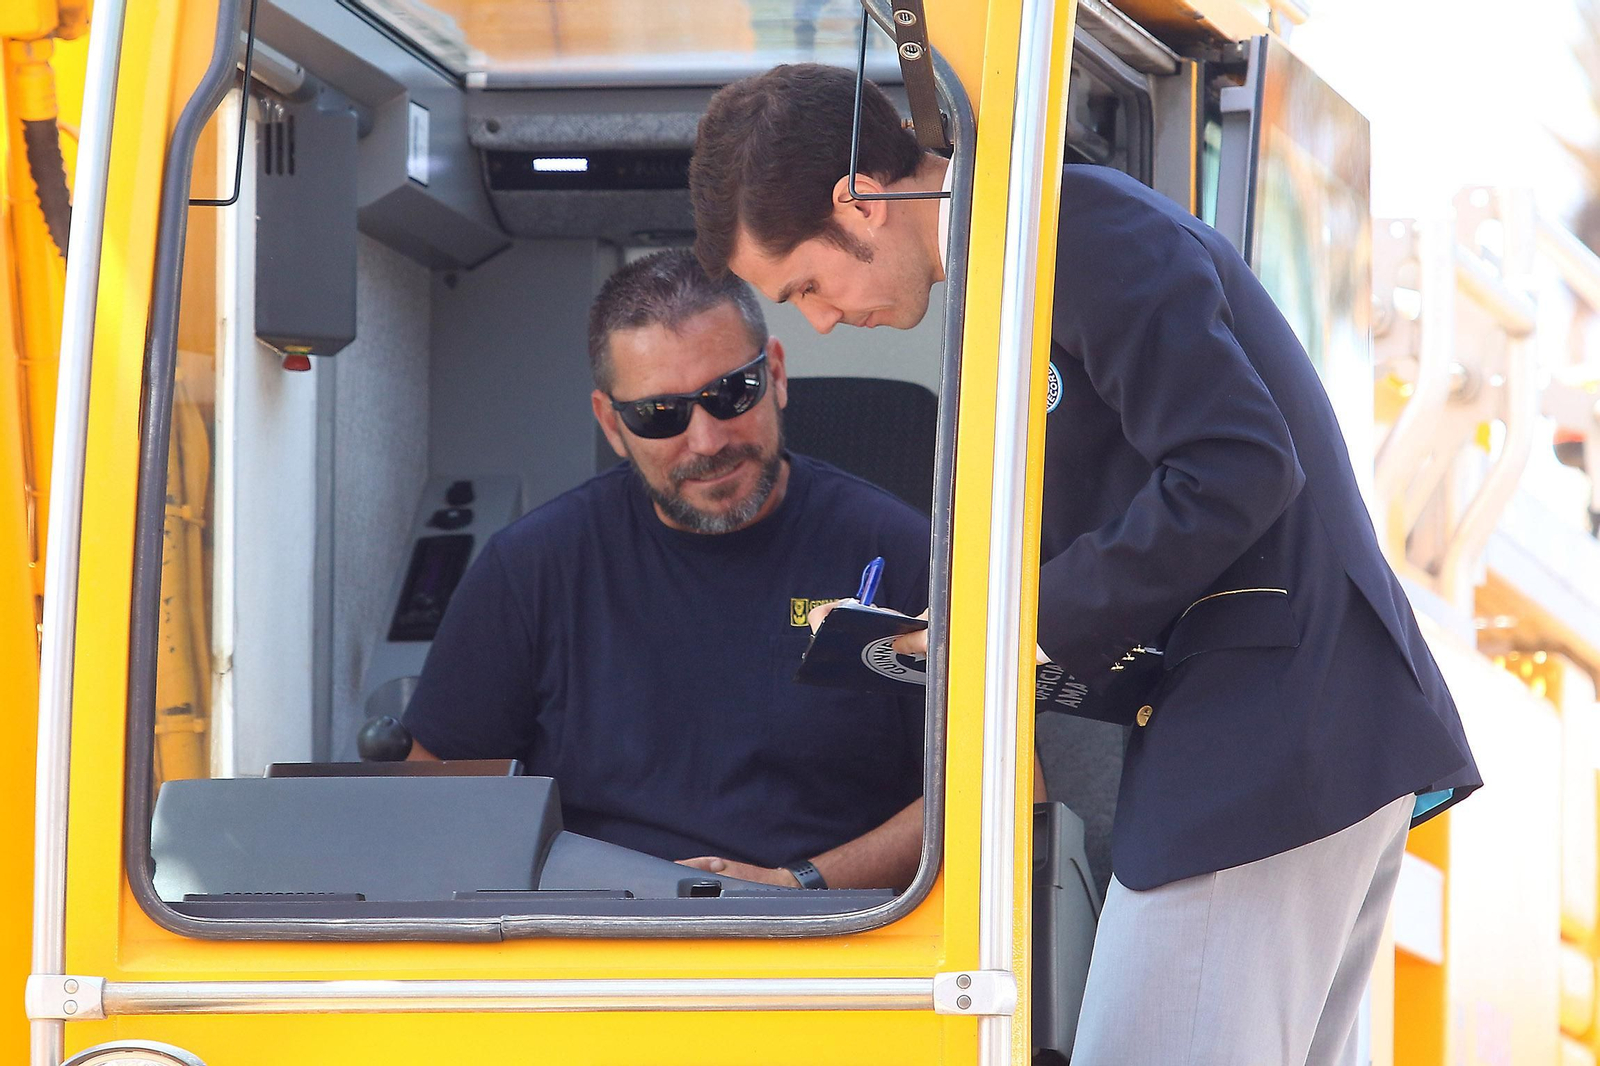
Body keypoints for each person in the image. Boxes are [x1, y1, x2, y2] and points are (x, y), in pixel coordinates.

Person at [690, 63, 1481, 1063]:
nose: (817, 317)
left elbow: (1236, 466)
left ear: (860, 201)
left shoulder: (1066, 229)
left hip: (1263, 735)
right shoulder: (1037, 255)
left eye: (804, 282)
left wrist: (1023, 626)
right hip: (1299, 727)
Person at [401, 249, 931, 891]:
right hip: (592, 947)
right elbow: (438, 805)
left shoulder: (902, 553)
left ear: (778, 375)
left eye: (731, 394)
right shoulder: (530, 570)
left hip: (835, 942)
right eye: (660, 416)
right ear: (611, 424)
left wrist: (795, 887)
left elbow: (986, 786)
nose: (707, 442)